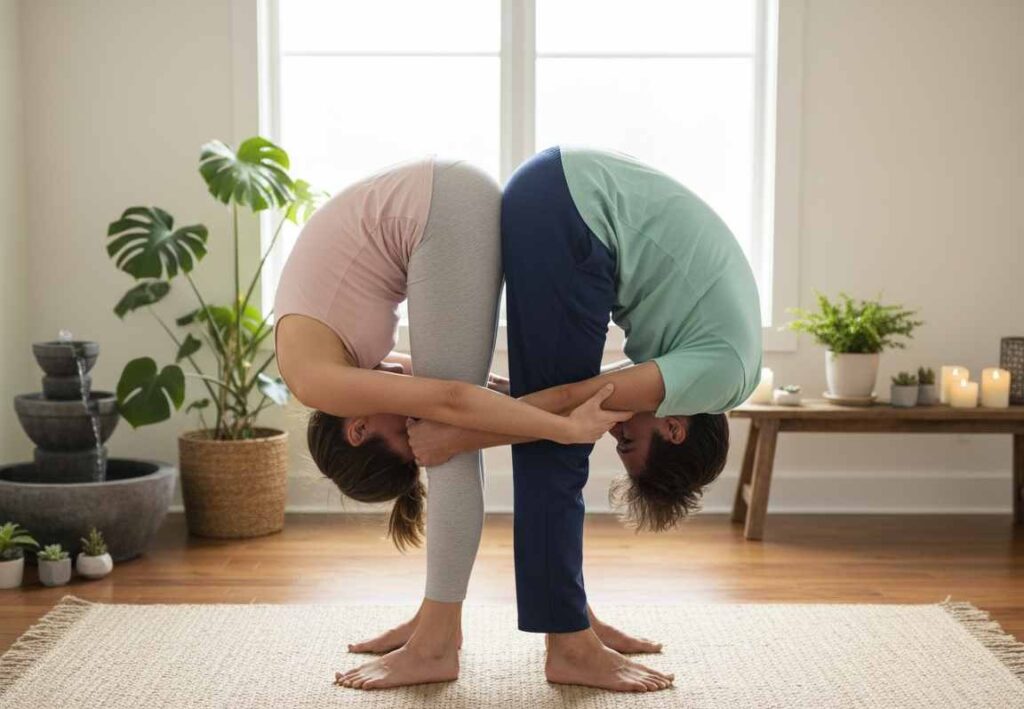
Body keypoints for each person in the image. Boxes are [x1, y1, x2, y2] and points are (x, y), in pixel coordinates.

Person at [405, 146, 763, 691]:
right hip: (572, 213)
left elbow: (560, 395)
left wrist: (498, 404)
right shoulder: (719, 377)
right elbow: (575, 399)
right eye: (629, 443)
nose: (618, 431)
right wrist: (457, 435)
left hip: (563, 195)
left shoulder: (721, 369)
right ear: (674, 426)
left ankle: (574, 616)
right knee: (562, 448)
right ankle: (570, 645)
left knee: (562, 427)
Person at [272, 156, 633, 690]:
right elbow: (472, 391)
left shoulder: (318, 381)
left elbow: (449, 400)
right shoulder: (336, 367)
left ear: (357, 429)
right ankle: (438, 622)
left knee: (449, 449)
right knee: (450, 436)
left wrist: (563, 429)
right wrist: (541, 409)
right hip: (443, 202)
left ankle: (437, 646)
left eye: (404, 437)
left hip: (443, 210)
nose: (414, 427)